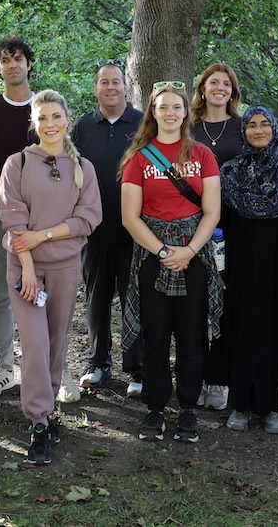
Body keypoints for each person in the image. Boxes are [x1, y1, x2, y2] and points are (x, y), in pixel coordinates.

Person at [0, 36, 80, 403]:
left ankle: (59, 370)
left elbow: (66, 161)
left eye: (18, 58)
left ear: (29, 64)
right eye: (4, 59)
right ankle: (4, 368)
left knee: (53, 298)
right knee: (1, 295)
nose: (12, 64)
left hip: (52, 225)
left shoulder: (47, 108)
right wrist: (10, 205)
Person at [0, 90, 102, 464]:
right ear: (34, 123)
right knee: (36, 345)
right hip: (24, 268)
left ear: (67, 120)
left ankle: (48, 411)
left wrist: (45, 235)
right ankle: (38, 423)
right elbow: (12, 220)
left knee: (56, 343)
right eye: (42, 118)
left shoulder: (83, 168)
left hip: (64, 267)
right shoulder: (17, 164)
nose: (50, 124)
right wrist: (27, 266)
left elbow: (88, 219)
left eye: (56, 116)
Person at [120, 80, 222, 444]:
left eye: (176, 107)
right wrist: (163, 252)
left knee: (192, 336)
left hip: (194, 257)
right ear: (153, 111)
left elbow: (212, 212)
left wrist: (189, 251)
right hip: (152, 257)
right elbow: (130, 217)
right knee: (156, 334)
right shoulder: (139, 158)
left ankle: (189, 409)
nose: (169, 113)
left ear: (185, 113)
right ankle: (155, 408)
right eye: (162, 106)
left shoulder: (202, 156)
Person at [218, 107, 278, 435]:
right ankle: (240, 405)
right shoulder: (229, 172)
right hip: (239, 268)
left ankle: (272, 407)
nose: (258, 131)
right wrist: (219, 269)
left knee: (274, 334)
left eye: (264, 125)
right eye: (252, 126)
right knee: (240, 332)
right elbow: (218, 227)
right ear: (243, 131)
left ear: (274, 128)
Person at [70, 60, 144, 396]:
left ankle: (137, 369)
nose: (111, 87)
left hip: (136, 231)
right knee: (96, 299)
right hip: (93, 232)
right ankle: (98, 363)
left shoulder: (144, 123)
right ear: (96, 87)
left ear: (125, 86)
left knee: (135, 300)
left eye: (116, 82)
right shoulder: (83, 127)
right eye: (104, 82)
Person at [188, 62, 245, 411]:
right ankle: (194, 377)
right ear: (203, 88)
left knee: (226, 303)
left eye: (226, 83)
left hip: (234, 225)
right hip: (189, 222)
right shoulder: (186, 126)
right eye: (213, 82)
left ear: (233, 91)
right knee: (192, 303)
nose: (220, 88)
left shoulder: (242, 127)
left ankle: (220, 380)